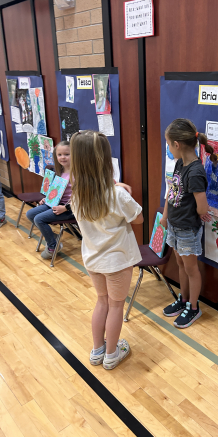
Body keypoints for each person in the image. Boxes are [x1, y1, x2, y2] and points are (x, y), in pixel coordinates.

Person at [70, 130, 143, 370]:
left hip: (93, 259)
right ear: (104, 160)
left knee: (102, 301)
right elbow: (139, 219)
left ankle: (97, 350)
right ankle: (112, 354)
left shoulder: (77, 194)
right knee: (116, 305)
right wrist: (120, 192)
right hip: (117, 261)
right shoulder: (117, 195)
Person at [160, 118, 216, 328]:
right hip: (174, 225)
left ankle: (193, 307)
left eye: (168, 144)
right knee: (181, 264)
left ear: (177, 144)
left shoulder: (195, 172)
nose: (168, 148)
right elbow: (171, 192)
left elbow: (202, 207)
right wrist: (165, 216)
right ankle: (183, 300)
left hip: (187, 229)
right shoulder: (179, 163)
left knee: (191, 268)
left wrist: (202, 213)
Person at [26, 141, 74, 259]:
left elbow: (81, 198)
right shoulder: (59, 171)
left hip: (69, 208)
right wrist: (47, 198)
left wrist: (65, 208)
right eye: (60, 155)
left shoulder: (77, 173)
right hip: (55, 203)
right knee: (30, 213)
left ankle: (52, 246)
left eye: (67, 154)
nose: (63, 157)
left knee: (39, 219)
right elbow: (55, 190)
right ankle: (53, 238)